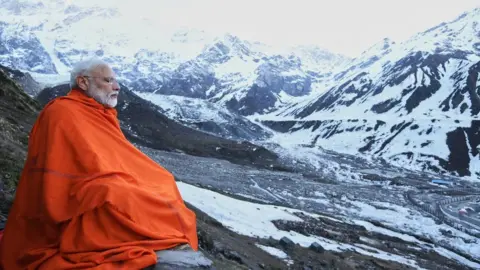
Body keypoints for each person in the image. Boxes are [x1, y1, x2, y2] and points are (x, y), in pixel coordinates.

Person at [0, 58, 198, 269]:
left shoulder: (99, 112)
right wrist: (109, 175)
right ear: (83, 82)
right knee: (117, 193)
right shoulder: (60, 112)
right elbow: (64, 163)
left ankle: (163, 232)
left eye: (115, 80)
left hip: (99, 175)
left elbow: (112, 153)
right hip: (73, 188)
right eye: (108, 80)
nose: (117, 87)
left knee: (162, 180)